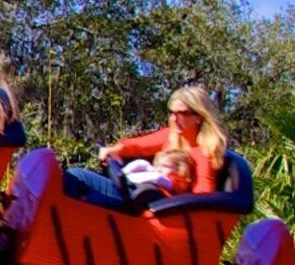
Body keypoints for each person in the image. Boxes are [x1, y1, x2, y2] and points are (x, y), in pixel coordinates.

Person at [73, 84, 230, 205]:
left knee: (78, 177)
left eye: (182, 114)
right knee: (78, 183)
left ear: (199, 117)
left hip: (156, 207)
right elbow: (138, 145)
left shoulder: (203, 152)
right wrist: (114, 150)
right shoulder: (171, 135)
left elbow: (204, 200)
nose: (174, 119)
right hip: (139, 194)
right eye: (172, 113)